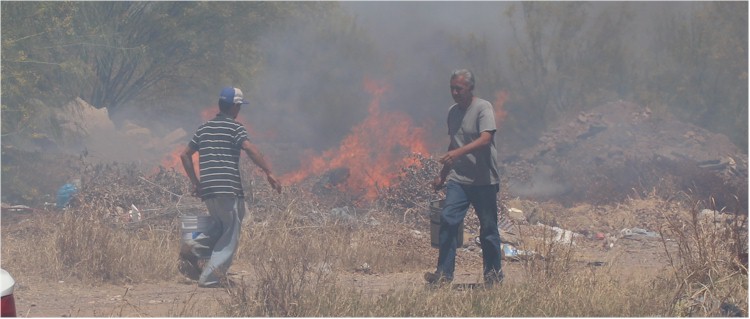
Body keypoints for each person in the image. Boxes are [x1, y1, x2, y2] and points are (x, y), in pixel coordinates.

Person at [180, 86, 282, 288]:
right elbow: (249, 148)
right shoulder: (236, 128)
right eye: (239, 107)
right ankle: (210, 278)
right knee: (230, 235)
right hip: (228, 188)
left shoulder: (204, 128)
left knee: (220, 225)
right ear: (235, 107)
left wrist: (195, 182)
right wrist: (269, 171)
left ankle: (191, 241)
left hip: (208, 188)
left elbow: (184, 154)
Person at [425, 69, 504, 287]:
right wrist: (442, 176)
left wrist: (457, 154)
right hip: (459, 179)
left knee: (488, 229)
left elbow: (485, 139)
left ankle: (493, 278)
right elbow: (454, 144)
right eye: (452, 88)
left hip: (484, 181)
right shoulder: (452, 112)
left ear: (470, 88)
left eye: (458, 88)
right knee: (448, 220)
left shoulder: (483, 108)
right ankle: (443, 275)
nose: (454, 92)